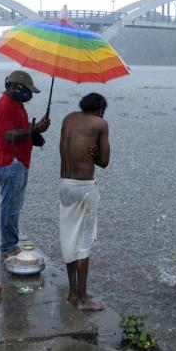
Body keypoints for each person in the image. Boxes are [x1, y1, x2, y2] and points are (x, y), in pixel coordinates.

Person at [58, 92, 110, 311]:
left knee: (69, 238)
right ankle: (82, 299)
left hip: (65, 184)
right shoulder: (100, 123)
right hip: (83, 188)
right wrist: (97, 153)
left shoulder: (68, 118)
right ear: (100, 110)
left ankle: (72, 293)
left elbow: (64, 149)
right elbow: (104, 162)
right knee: (83, 243)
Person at [0, 70, 50, 260]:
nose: (27, 94)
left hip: (19, 162)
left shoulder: (17, 105)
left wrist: (35, 132)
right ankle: (8, 247)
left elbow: (20, 132)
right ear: (12, 86)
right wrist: (33, 129)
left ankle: (11, 244)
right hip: (9, 162)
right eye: (25, 89)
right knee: (10, 206)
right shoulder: (5, 106)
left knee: (15, 205)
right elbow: (9, 135)